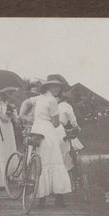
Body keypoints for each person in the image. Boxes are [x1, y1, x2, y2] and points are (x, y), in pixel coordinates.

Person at [31, 76, 72, 208]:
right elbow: (55, 123)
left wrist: (23, 116)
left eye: (58, 87)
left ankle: (41, 198)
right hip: (47, 131)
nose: (57, 89)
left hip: (36, 129)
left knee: (41, 161)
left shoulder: (39, 98)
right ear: (48, 87)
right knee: (54, 161)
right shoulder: (52, 101)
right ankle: (59, 197)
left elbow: (26, 103)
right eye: (54, 86)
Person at [0, 88, 18, 159]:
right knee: (0, 143)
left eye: (5, 95)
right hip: (0, 126)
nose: (4, 97)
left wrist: (14, 117)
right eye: (2, 95)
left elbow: (16, 117)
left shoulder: (11, 106)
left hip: (8, 126)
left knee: (9, 143)